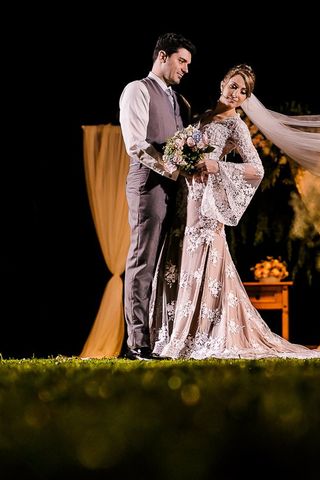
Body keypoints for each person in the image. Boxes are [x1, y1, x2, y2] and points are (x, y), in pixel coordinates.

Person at [150, 64, 320, 359]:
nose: (237, 94)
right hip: (186, 200)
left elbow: (256, 169)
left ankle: (198, 335)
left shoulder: (236, 125)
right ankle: (175, 333)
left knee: (203, 262)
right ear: (222, 83)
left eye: (244, 92)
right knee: (180, 259)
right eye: (234, 86)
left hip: (208, 208)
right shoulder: (200, 116)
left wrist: (217, 165)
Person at [119, 33, 196, 360]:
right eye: (182, 61)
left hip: (174, 188)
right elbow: (136, 143)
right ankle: (137, 342)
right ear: (162, 56)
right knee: (143, 260)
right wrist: (174, 170)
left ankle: (161, 338)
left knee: (166, 264)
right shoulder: (137, 89)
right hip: (148, 183)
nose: (186, 69)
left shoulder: (181, 102)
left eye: (189, 64)